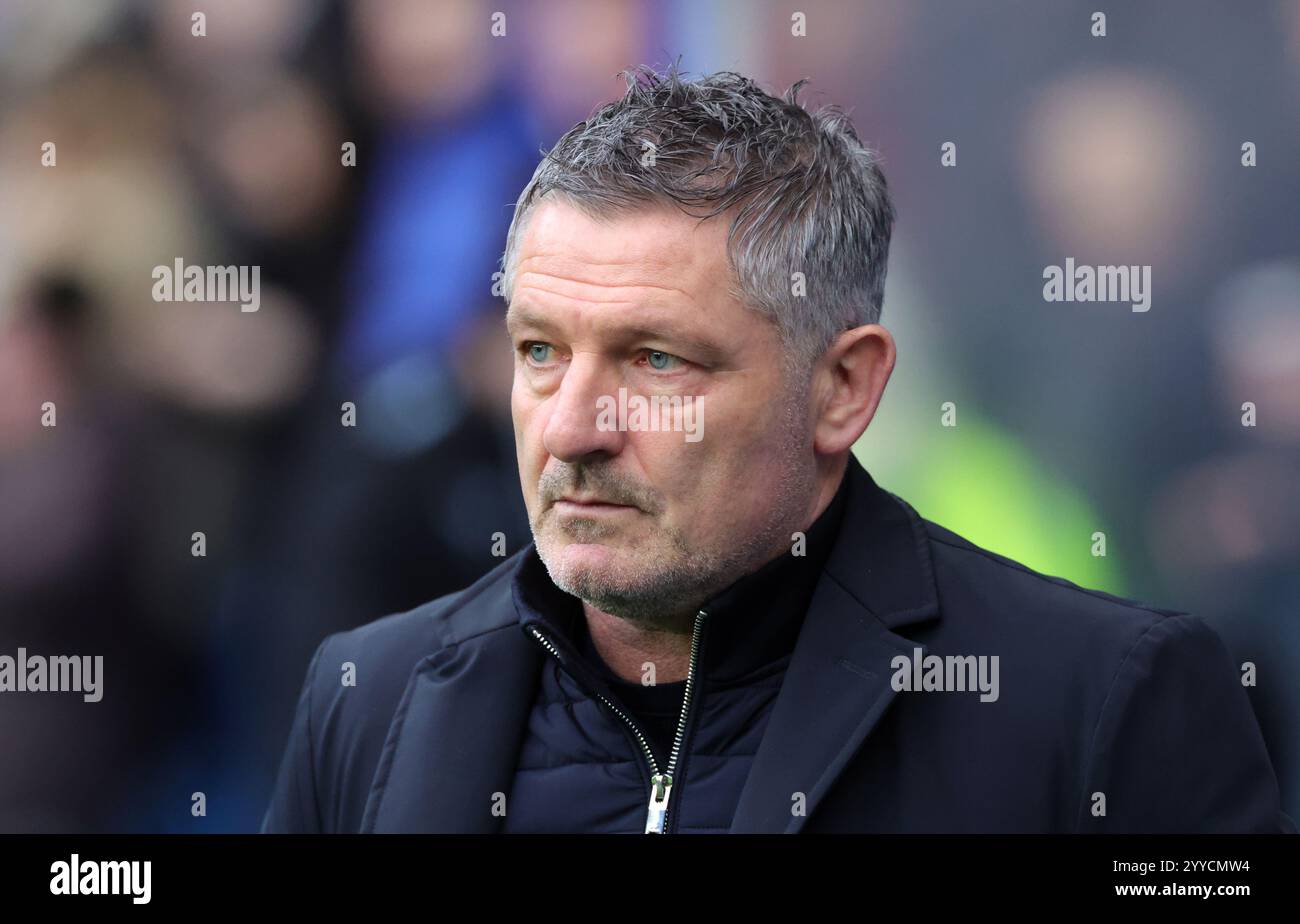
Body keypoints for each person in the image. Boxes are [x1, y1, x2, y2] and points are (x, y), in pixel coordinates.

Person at [262, 67, 1292, 834]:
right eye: (539, 351)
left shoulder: (1103, 702)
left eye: (655, 361)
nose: (573, 427)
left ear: (842, 389)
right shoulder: (368, 697)